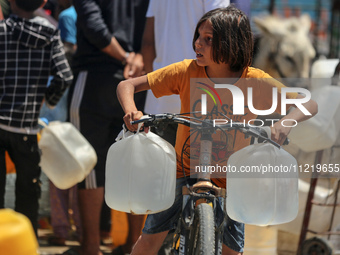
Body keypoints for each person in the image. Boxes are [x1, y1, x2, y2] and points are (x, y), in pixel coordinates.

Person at [117, 6, 318, 255]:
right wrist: (132, 111)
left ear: (232, 43)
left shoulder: (254, 80)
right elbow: (127, 85)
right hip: (183, 170)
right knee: (148, 242)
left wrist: (283, 124)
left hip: (232, 180)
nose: (197, 44)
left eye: (208, 39)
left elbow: (309, 104)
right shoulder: (186, 71)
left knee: (232, 251)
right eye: (198, 37)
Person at [65, 1, 149, 255]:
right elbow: (152, 27)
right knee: (137, 163)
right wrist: (137, 58)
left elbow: (94, 26)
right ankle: (134, 244)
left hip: (94, 77)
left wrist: (125, 57)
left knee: (89, 163)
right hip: (137, 82)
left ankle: (91, 247)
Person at [0, 0, 73, 236]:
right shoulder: (50, 33)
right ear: (43, 3)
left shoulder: (2, 31)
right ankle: (26, 243)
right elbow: (63, 76)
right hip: (27, 130)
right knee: (28, 194)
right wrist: (47, 100)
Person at [142, 0, 229, 147]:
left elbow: (148, 43)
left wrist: (155, 90)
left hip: (160, 105)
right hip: (200, 107)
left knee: (163, 169)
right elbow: (222, 42)